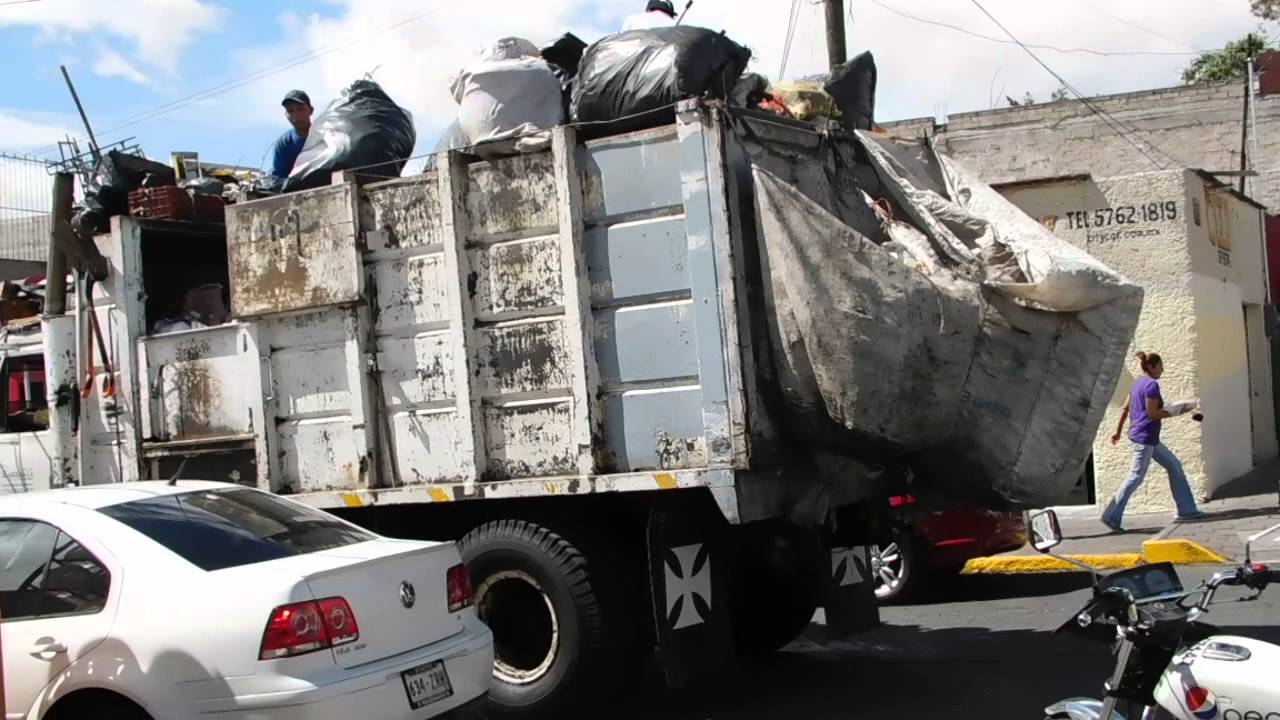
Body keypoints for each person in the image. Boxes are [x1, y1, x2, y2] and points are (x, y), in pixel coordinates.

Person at [1101, 352, 1205, 532]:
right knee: (1135, 477)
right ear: (1151, 367)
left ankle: (1187, 511)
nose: (1162, 370)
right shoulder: (1151, 385)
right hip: (1145, 438)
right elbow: (1152, 414)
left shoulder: (1138, 383)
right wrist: (1177, 411)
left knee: (1174, 466)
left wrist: (1117, 432)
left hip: (1147, 437)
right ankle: (1111, 516)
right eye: (1160, 367)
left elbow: (1125, 409)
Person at [270, 90, 313, 183]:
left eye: (300, 109)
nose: (296, 115)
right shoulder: (283, 144)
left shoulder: (326, 135)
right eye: (290, 111)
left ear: (311, 110)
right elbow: (277, 179)